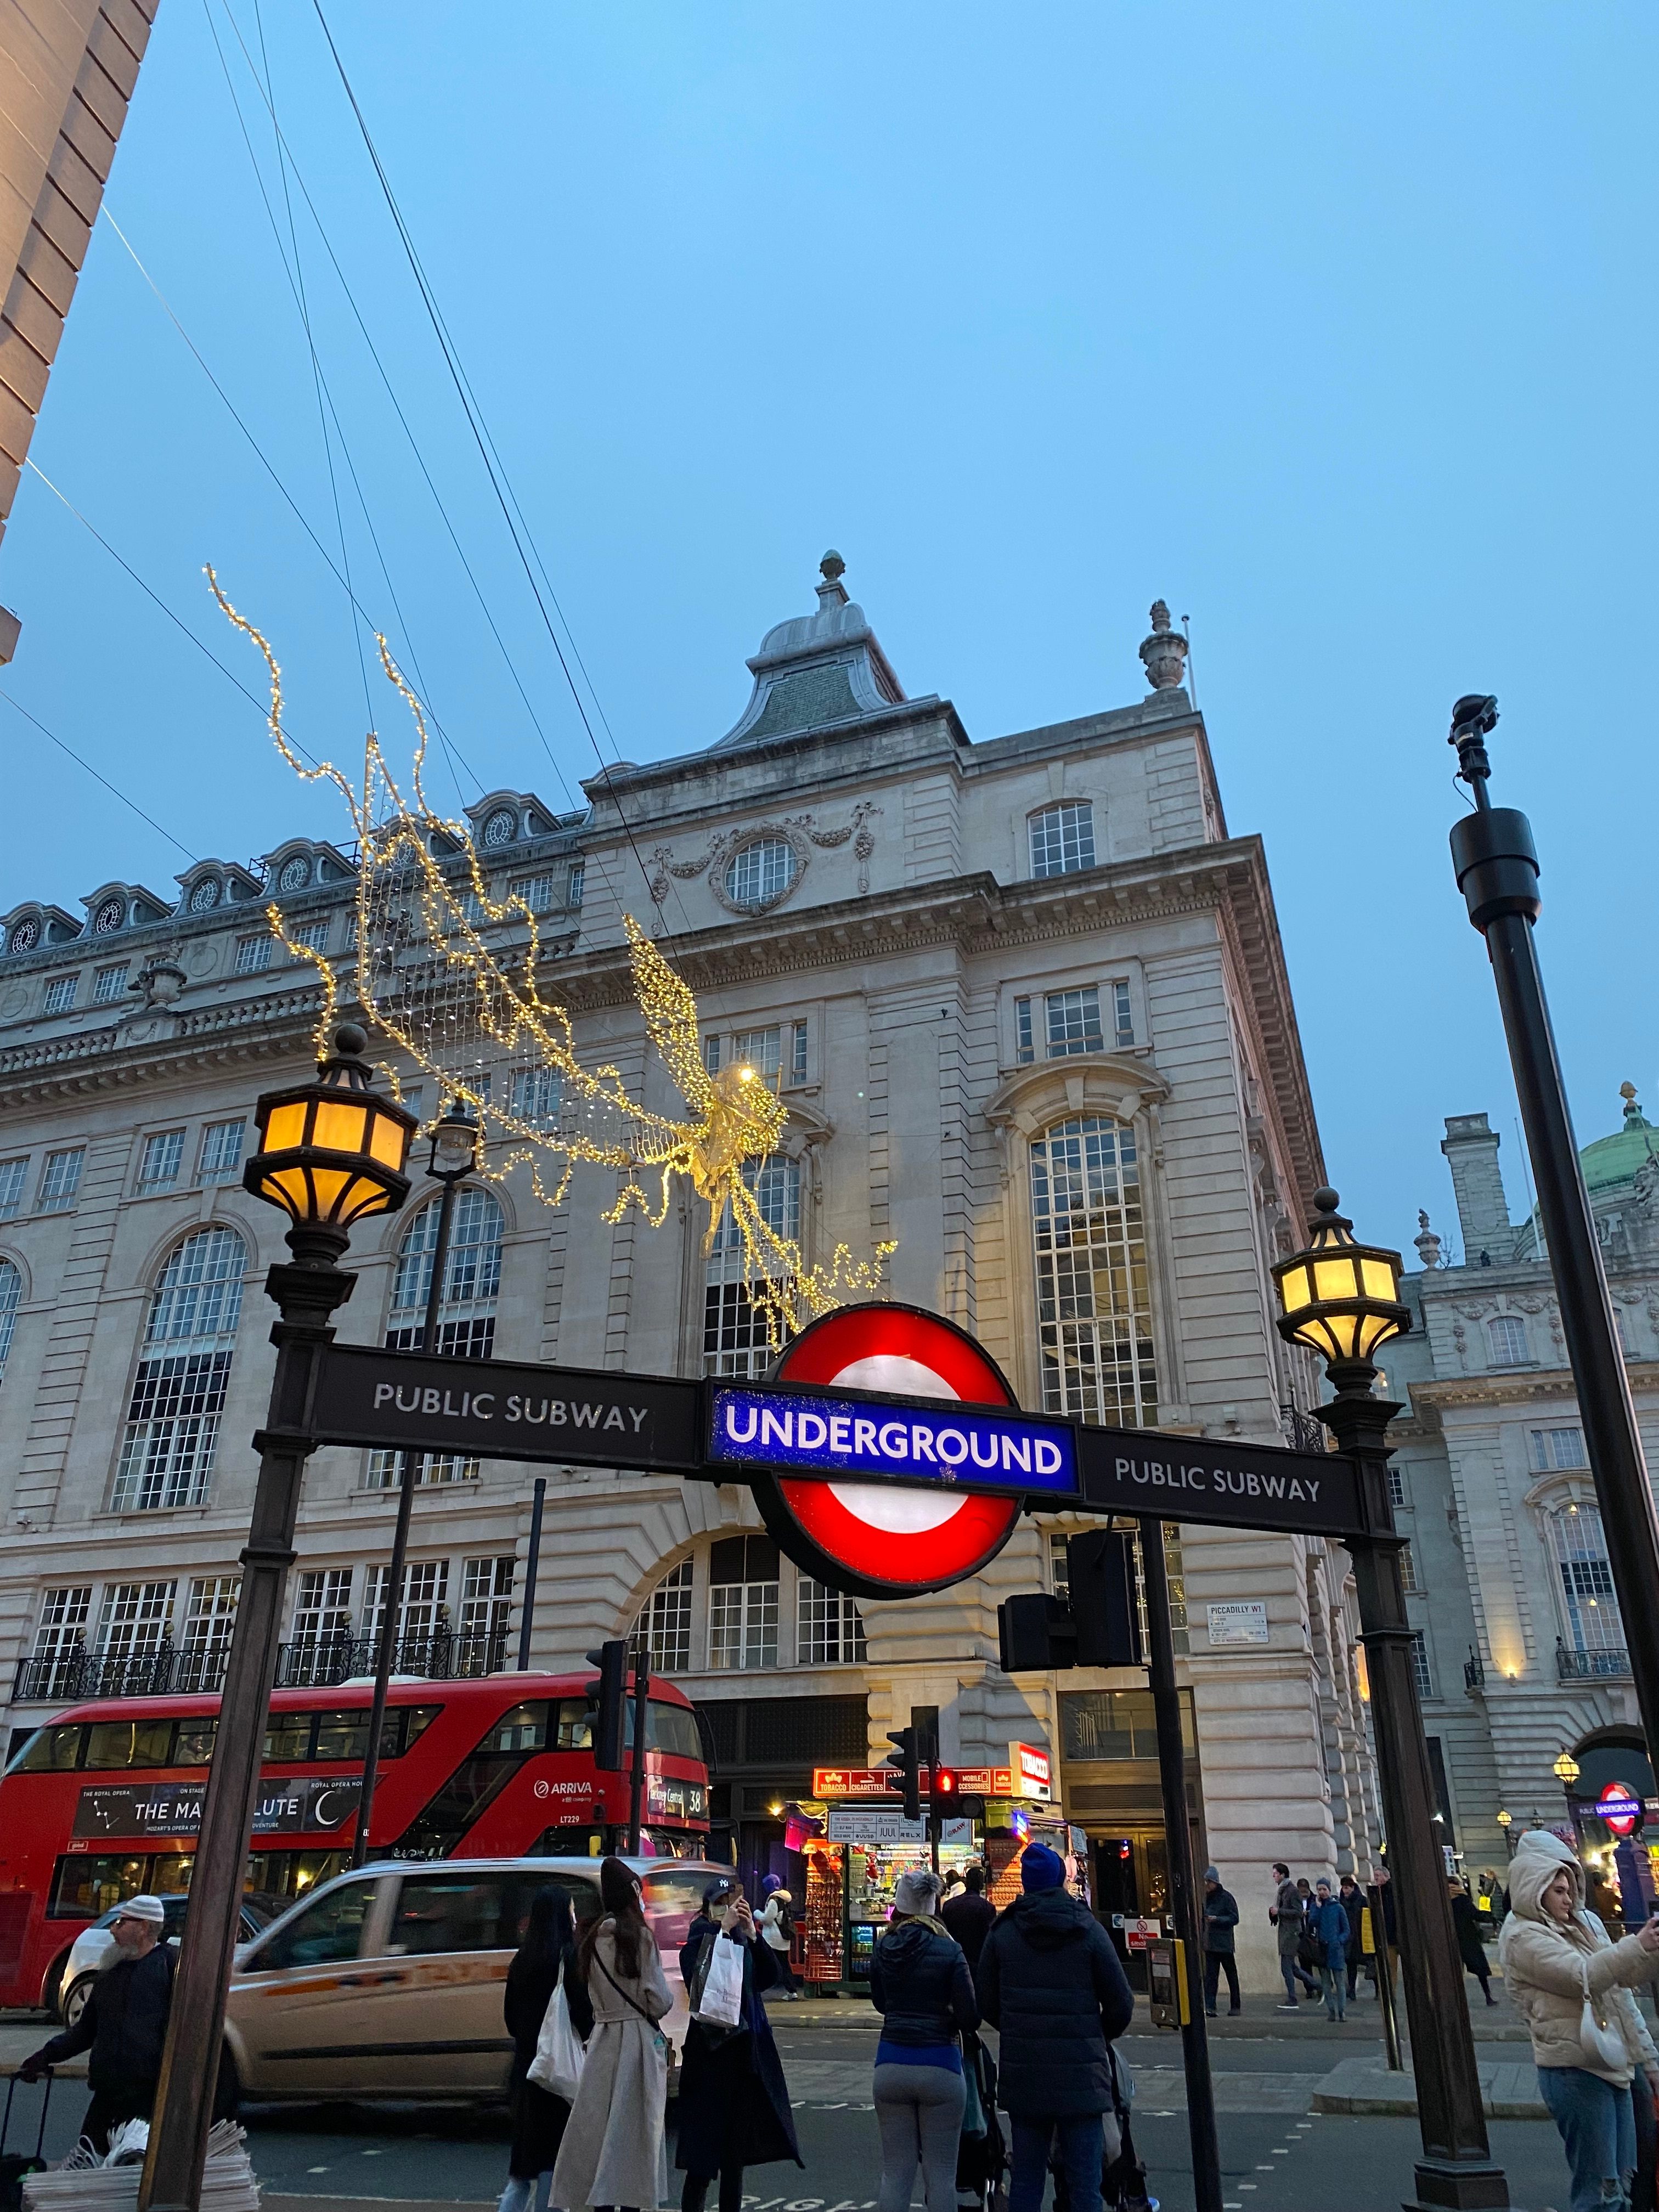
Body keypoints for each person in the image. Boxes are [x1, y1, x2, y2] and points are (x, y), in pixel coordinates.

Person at [1499, 1829, 1659, 2212]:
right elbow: (1582, 1977)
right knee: (1600, 2191)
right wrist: (1635, 1946)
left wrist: (1648, 1950)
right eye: (1558, 1890)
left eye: (1571, 1887)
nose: (1569, 1897)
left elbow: (1622, 1986)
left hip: (1612, 2060)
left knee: (1622, 2183)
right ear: (1534, 1888)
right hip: (1576, 2068)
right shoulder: (1523, 1937)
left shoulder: (1582, 1924)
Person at [975, 1842, 1133, 2212]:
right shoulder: (1087, 1929)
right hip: (1081, 2075)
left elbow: (986, 2002)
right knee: (1085, 2187)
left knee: (1027, 2183)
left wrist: (1016, 2026)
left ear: (1027, 1883)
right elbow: (1121, 2003)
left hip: (1026, 2073)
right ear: (1061, 1880)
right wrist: (1095, 2033)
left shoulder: (1003, 1932)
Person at [550, 1856, 673, 2212]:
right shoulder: (640, 1940)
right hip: (636, 2044)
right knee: (635, 2137)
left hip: (603, 2042)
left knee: (600, 2134)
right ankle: (631, 2202)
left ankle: (599, 2202)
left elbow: (590, 1997)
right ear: (633, 1896)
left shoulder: (590, 1943)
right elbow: (659, 2000)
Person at [675, 1875, 802, 2212]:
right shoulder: (699, 1940)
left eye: (731, 1904)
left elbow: (768, 1977)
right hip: (709, 2059)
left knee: (734, 2157)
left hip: (743, 2058)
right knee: (701, 2158)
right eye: (720, 1904)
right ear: (707, 1908)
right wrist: (721, 1933)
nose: (726, 1910)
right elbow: (698, 1982)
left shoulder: (741, 1941)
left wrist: (752, 1936)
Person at [19, 1895, 173, 2154]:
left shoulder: (169, 1968)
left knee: (128, 2168)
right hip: (108, 2092)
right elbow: (86, 2029)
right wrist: (46, 2055)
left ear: (144, 1927)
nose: (113, 1930)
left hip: (146, 2096)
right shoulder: (111, 1973)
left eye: (122, 1923)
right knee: (88, 2157)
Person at [500, 1885, 593, 2212]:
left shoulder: (521, 1960)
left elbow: (511, 2020)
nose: (574, 1916)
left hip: (526, 2069)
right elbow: (585, 2016)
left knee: (521, 2169)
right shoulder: (568, 1959)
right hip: (557, 2074)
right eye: (571, 1909)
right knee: (553, 2166)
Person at [1270, 1863, 1319, 2008]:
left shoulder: (1292, 1891)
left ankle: (1293, 1998)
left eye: (1275, 1874)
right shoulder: (1283, 1890)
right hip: (1286, 1932)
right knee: (1293, 1968)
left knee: (1287, 1968)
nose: (1274, 1877)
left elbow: (1298, 1913)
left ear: (1282, 1875)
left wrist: (1279, 1912)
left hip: (1291, 1933)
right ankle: (1318, 1985)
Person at [1450, 1877, 1498, 2008]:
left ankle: (1457, 2000)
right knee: (1480, 1969)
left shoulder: (1442, 1900)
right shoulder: (1463, 1899)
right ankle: (1488, 1997)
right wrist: (1488, 1916)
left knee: (1455, 1972)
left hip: (1451, 1940)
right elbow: (1475, 1914)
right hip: (1467, 1938)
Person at [941, 1865, 997, 1973]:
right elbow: (989, 1940)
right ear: (982, 1885)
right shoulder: (987, 1908)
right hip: (978, 1964)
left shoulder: (950, 1905)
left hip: (954, 1961)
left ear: (967, 1882)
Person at [1201, 1867, 1240, 2017]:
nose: (1207, 1884)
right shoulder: (1208, 1897)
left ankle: (1236, 2006)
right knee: (1211, 1977)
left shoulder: (1226, 1897)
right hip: (1211, 1944)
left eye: (1209, 1882)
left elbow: (1235, 1918)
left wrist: (1217, 1919)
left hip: (1224, 1945)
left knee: (1231, 1975)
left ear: (1215, 1882)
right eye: (1207, 1882)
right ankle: (1210, 2007)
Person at [1309, 1879, 1348, 2022]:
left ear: (1329, 1890)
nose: (1322, 1892)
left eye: (1324, 1889)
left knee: (1339, 1982)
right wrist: (1318, 1908)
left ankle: (1342, 2011)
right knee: (1326, 1982)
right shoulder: (1316, 1906)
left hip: (1335, 1948)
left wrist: (1339, 1941)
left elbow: (1346, 1929)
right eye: (1319, 1889)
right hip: (1323, 1948)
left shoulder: (1338, 1908)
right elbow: (1312, 1923)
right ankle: (1331, 2011)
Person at [757, 1875, 800, 1998]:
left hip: (773, 1938)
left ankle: (761, 1986)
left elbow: (767, 1919)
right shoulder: (784, 1899)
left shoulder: (773, 1900)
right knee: (784, 1964)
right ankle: (792, 1991)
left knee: (768, 1962)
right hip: (783, 1938)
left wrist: (757, 1913)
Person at [1339, 1876, 1366, 2004]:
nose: (1346, 1890)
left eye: (1348, 1887)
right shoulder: (1340, 1902)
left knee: (1368, 1963)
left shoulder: (1362, 1900)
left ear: (1353, 1888)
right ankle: (1351, 1990)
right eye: (1344, 1888)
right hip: (1349, 1937)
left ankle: (1378, 1987)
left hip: (1360, 1936)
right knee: (1351, 1964)